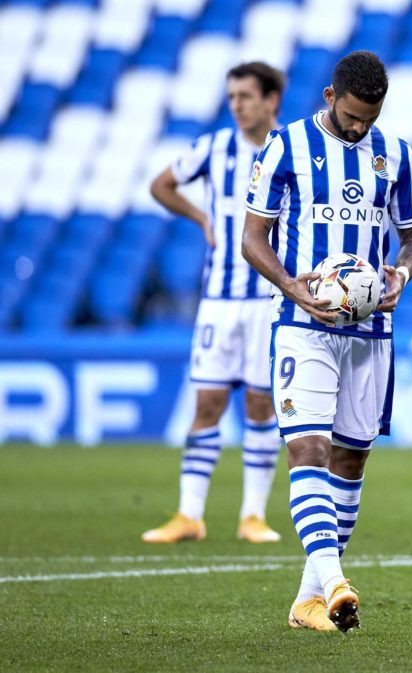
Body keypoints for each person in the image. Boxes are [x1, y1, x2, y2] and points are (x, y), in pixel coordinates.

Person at [242, 50, 412, 633]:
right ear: (329, 96)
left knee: (351, 458)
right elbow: (252, 238)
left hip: (371, 330)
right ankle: (335, 578)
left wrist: (400, 274)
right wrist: (293, 288)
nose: (359, 127)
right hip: (304, 324)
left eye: (369, 118)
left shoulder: (396, 154)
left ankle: (308, 599)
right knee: (308, 450)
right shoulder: (285, 146)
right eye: (351, 116)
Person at [143, 62, 288, 545]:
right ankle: (190, 514)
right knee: (206, 402)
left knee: (260, 403)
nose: (236, 104)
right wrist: (202, 219)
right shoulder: (213, 148)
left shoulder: (289, 150)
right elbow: (161, 185)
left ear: (271, 100)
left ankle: (252, 515)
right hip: (219, 300)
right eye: (231, 96)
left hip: (267, 297)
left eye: (245, 95)